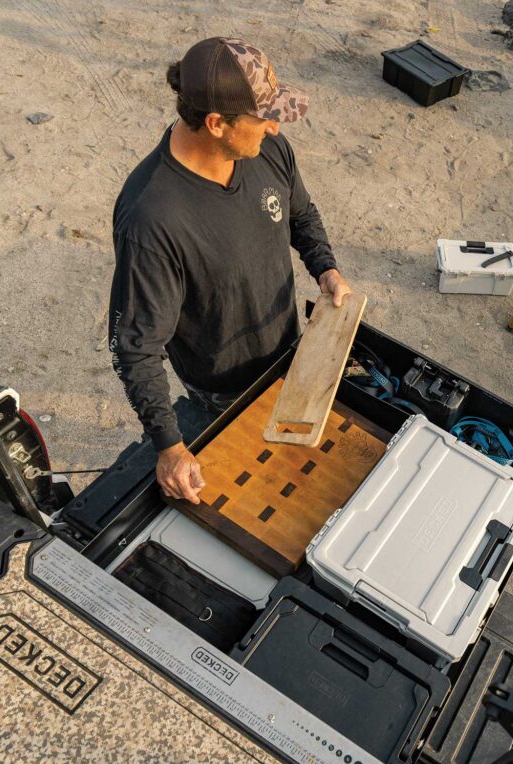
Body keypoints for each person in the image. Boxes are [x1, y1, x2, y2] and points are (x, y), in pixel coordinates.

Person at [108, 37, 351, 505]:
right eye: (263, 119)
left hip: (286, 350)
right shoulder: (152, 218)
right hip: (221, 387)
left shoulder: (266, 153)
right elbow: (136, 348)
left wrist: (325, 268)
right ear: (217, 123)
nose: (275, 130)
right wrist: (170, 447)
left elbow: (300, 213)